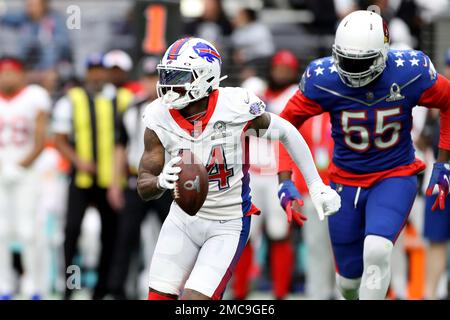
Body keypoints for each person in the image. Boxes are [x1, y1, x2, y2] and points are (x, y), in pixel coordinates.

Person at [137, 37, 341, 300]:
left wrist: (315, 185)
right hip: (182, 220)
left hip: (227, 222)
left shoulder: (234, 106)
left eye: (177, 75)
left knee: (195, 301)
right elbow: (144, 186)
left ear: (204, 77)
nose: (168, 84)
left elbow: (287, 132)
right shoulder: (158, 116)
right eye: (166, 75)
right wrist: (160, 182)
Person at [277, 10, 450, 300]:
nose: (353, 69)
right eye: (346, 60)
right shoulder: (324, 78)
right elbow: (283, 124)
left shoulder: (411, 71)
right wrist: (284, 178)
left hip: (394, 175)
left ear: (384, 53)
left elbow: (448, 101)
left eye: (363, 62)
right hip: (344, 183)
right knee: (347, 282)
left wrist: (444, 162)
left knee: (378, 249)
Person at [53, 53, 133, 300]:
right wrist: (79, 161)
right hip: (81, 179)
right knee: (71, 231)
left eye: (101, 70)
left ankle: (102, 289)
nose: (97, 75)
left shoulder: (123, 99)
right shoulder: (73, 99)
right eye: (93, 70)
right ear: (87, 73)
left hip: (112, 182)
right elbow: (60, 138)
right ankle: (69, 287)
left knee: (110, 234)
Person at [106, 57, 172, 300]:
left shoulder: (174, 109)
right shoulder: (131, 109)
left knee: (175, 235)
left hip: (167, 179)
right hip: (136, 180)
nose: (151, 83)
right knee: (125, 236)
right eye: (147, 78)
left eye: (155, 78)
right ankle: (118, 288)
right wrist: (115, 183)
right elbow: (120, 149)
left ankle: (176, 288)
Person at [0, 56, 51, 299]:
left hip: (27, 172)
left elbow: (41, 139)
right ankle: (4, 283)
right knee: (1, 230)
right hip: (0, 172)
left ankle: (33, 283)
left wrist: (20, 165)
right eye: (4, 72)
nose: (7, 77)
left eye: (12, 72)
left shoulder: (34, 96)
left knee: (29, 230)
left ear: (21, 75)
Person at [423, 48, 450, 300]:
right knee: (435, 240)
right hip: (442, 179)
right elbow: (424, 142)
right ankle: (429, 294)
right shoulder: (438, 101)